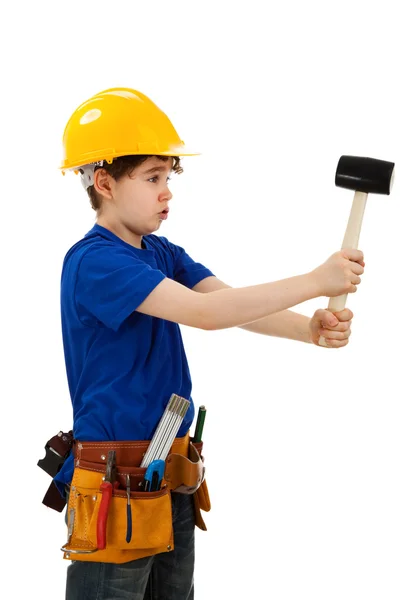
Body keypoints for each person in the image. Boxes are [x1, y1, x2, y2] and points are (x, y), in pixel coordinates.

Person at [54, 87, 364, 600]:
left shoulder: (160, 251)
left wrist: (307, 327)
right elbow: (205, 315)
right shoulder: (95, 262)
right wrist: (316, 279)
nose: (167, 192)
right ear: (104, 181)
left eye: (168, 177)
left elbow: (230, 301)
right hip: (115, 481)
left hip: (170, 470)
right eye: (152, 177)